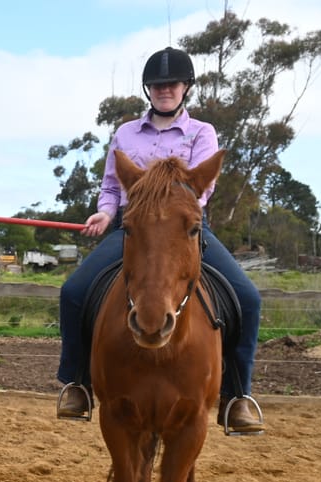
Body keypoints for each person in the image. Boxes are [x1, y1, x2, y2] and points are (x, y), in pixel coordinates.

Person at [56, 46, 264, 434]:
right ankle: (77, 383)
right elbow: (111, 186)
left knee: (248, 299)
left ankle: (238, 397)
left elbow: (201, 189)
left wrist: (172, 214)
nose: (165, 90)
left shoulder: (202, 133)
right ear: (148, 90)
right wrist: (105, 212)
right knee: (73, 292)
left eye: (172, 84)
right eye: (157, 84)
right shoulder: (125, 134)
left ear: (185, 87)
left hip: (184, 231)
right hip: (132, 230)